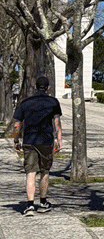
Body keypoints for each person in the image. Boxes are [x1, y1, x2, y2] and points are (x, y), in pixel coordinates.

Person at [11, 75, 63, 216]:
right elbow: (57, 123)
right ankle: (43, 203)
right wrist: (59, 140)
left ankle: (30, 206)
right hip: (46, 141)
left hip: (29, 141)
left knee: (30, 173)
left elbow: (17, 124)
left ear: (35, 87)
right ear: (48, 87)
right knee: (45, 172)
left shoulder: (25, 102)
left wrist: (16, 140)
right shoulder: (53, 102)